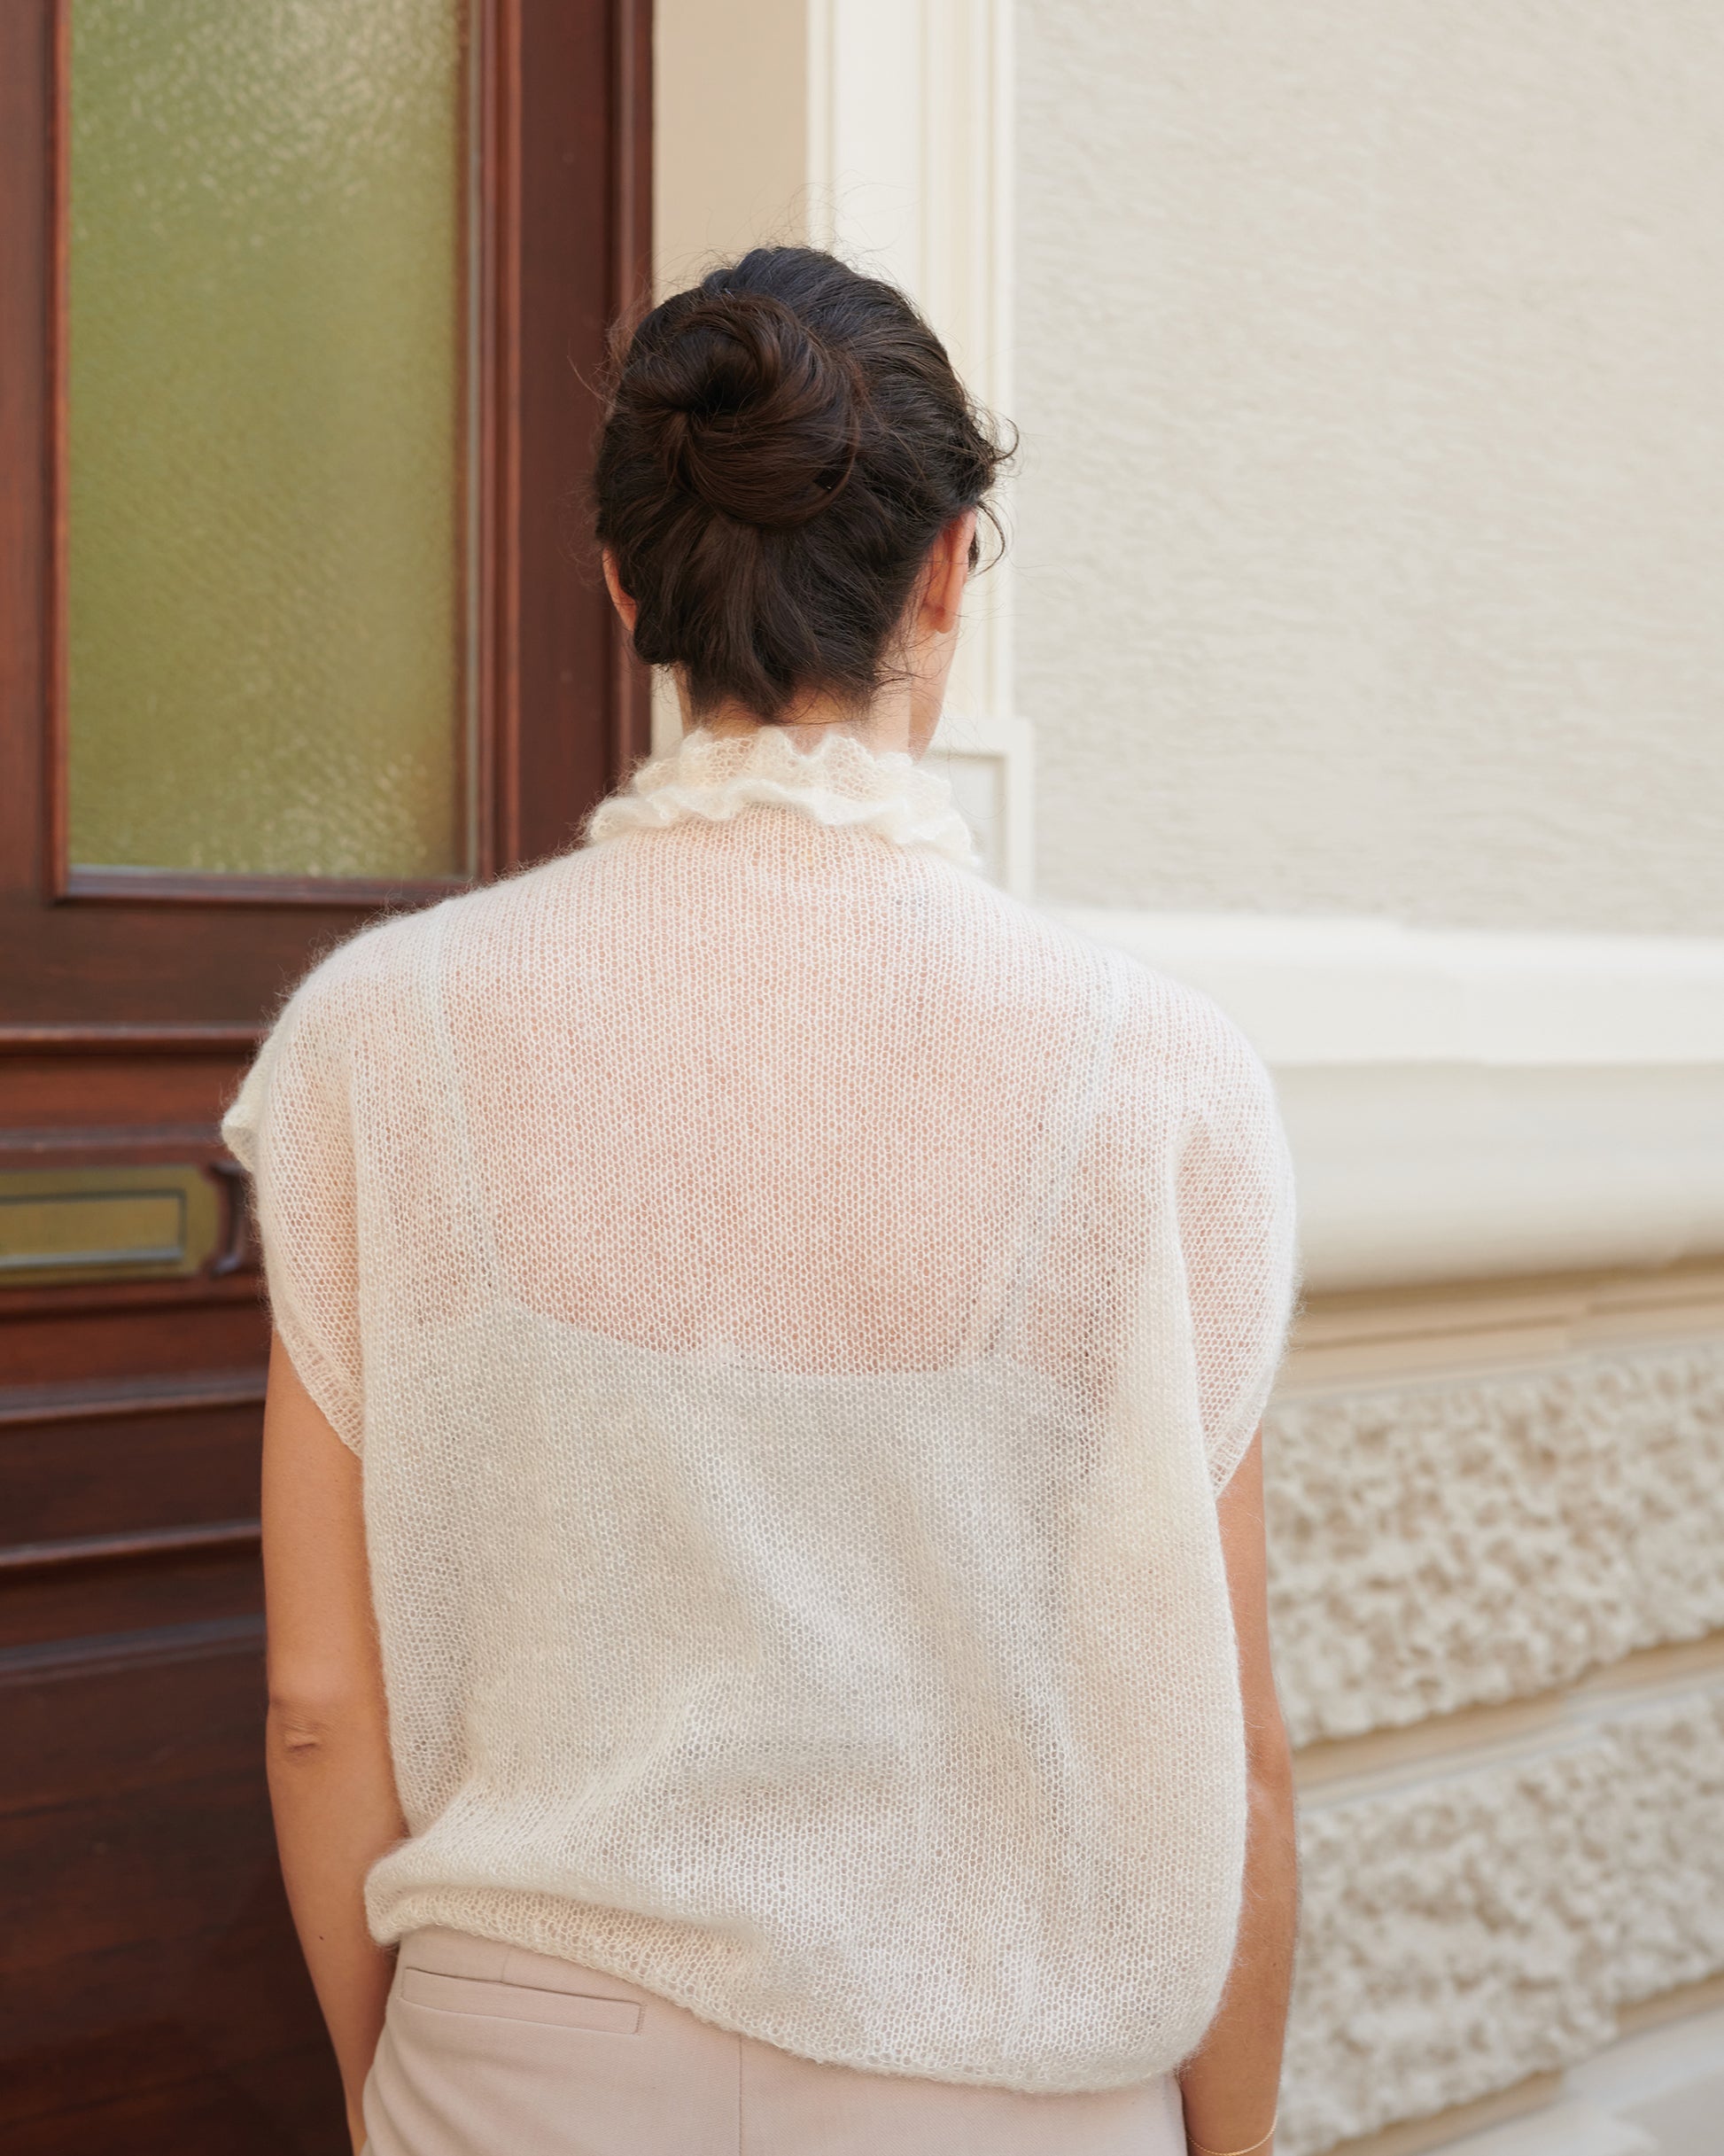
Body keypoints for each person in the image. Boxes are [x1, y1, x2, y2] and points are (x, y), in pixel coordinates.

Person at [229, 245, 1298, 2156]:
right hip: (1007, 2088)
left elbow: (320, 1701)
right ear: (951, 569)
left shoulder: (371, 1039)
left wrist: (419, 2073)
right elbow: (1233, 1760)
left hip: (515, 2064)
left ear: (627, 579)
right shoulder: (1162, 1080)